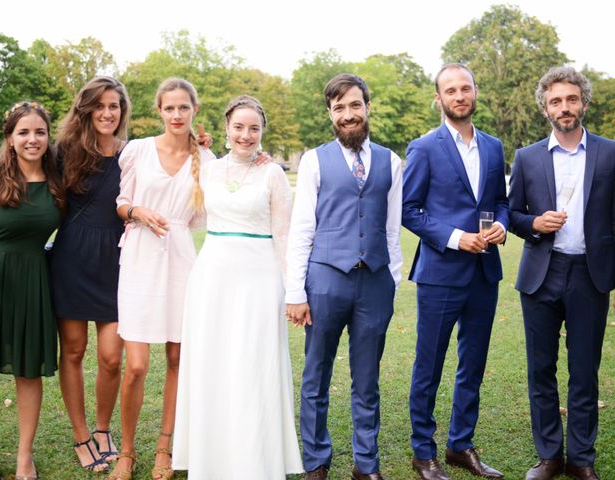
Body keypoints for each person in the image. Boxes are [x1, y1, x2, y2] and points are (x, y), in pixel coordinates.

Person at [172, 95, 303, 479]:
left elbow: (284, 233)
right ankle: (213, 458)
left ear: (262, 133)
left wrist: (292, 288)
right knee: (214, 363)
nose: (246, 135)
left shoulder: (273, 173)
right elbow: (193, 219)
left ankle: (255, 461)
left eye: (254, 128)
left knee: (254, 364)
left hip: (259, 278)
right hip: (212, 276)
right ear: (227, 128)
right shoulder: (208, 170)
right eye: (239, 127)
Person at [286, 74, 402, 480]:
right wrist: (295, 291)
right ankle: (316, 460)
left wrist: (393, 279)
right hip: (325, 281)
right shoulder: (314, 160)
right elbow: (302, 228)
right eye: (339, 108)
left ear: (367, 106)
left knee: (367, 380)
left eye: (355, 105)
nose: (348, 114)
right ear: (330, 115)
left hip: (374, 281)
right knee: (316, 375)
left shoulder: (391, 161)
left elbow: (391, 227)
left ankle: (365, 465)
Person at [402, 63, 508, 480]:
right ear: (439, 98)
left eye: (465, 88)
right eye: (451, 90)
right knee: (428, 365)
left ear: (475, 92)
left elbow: (499, 200)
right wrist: (454, 237)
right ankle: (422, 451)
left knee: (473, 364)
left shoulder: (495, 146)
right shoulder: (424, 147)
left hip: (484, 272)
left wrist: (499, 223)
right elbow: (409, 211)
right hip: (440, 273)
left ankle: (460, 445)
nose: (459, 95)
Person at [509, 66, 615, 480]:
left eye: (571, 99)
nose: (564, 107)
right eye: (556, 101)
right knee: (541, 369)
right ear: (545, 107)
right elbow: (512, 212)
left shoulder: (609, 153)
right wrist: (534, 224)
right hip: (541, 273)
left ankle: (581, 459)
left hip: (591, 275)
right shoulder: (528, 157)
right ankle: (550, 455)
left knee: (585, 371)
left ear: (583, 102)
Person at [109, 77, 215, 480]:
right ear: (159, 110)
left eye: (183, 108)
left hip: (182, 258)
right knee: (135, 364)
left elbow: (212, 207)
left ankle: (164, 448)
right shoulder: (137, 150)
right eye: (169, 108)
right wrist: (137, 212)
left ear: (194, 111)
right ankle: (127, 451)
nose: (176, 114)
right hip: (138, 256)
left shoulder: (206, 159)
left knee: (177, 357)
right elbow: (120, 203)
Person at [0, 102, 65, 480]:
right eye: (23, 132)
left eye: (39, 132)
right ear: (10, 138)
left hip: (34, 281)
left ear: (48, 137)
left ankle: (25, 455)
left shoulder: (59, 179)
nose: (32, 139)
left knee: (28, 371)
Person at [51, 76, 131, 472]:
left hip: (116, 263)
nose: (107, 112)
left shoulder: (133, 154)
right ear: (86, 110)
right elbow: (21, 164)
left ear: (122, 111)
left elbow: (178, 160)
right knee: (75, 350)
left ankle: (103, 429)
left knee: (112, 356)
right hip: (71, 260)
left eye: (114, 105)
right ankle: (81, 435)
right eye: (99, 105)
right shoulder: (64, 151)